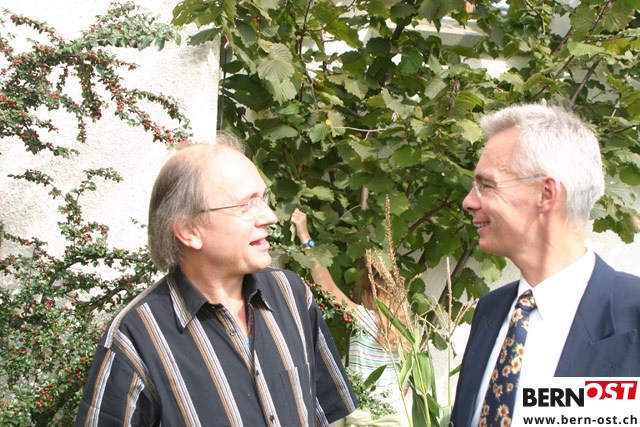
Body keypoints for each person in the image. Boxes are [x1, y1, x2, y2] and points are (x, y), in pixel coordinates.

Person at [75, 133, 357, 426]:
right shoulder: (136, 336)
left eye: (262, 199)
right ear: (189, 230)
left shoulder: (291, 295)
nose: (270, 217)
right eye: (246, 205)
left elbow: (322, 414)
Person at [450, 103, 640, 427]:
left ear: (546, 194)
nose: (469, 201)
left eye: (487, 185)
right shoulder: (490, 311)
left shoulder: (632, 314)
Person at [291, 208, 409, 426]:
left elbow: (326, 287)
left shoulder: (365, 319)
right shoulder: (408, 331)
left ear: (368, 294)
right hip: (396, 416)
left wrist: (304, 236)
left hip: (363, 417)